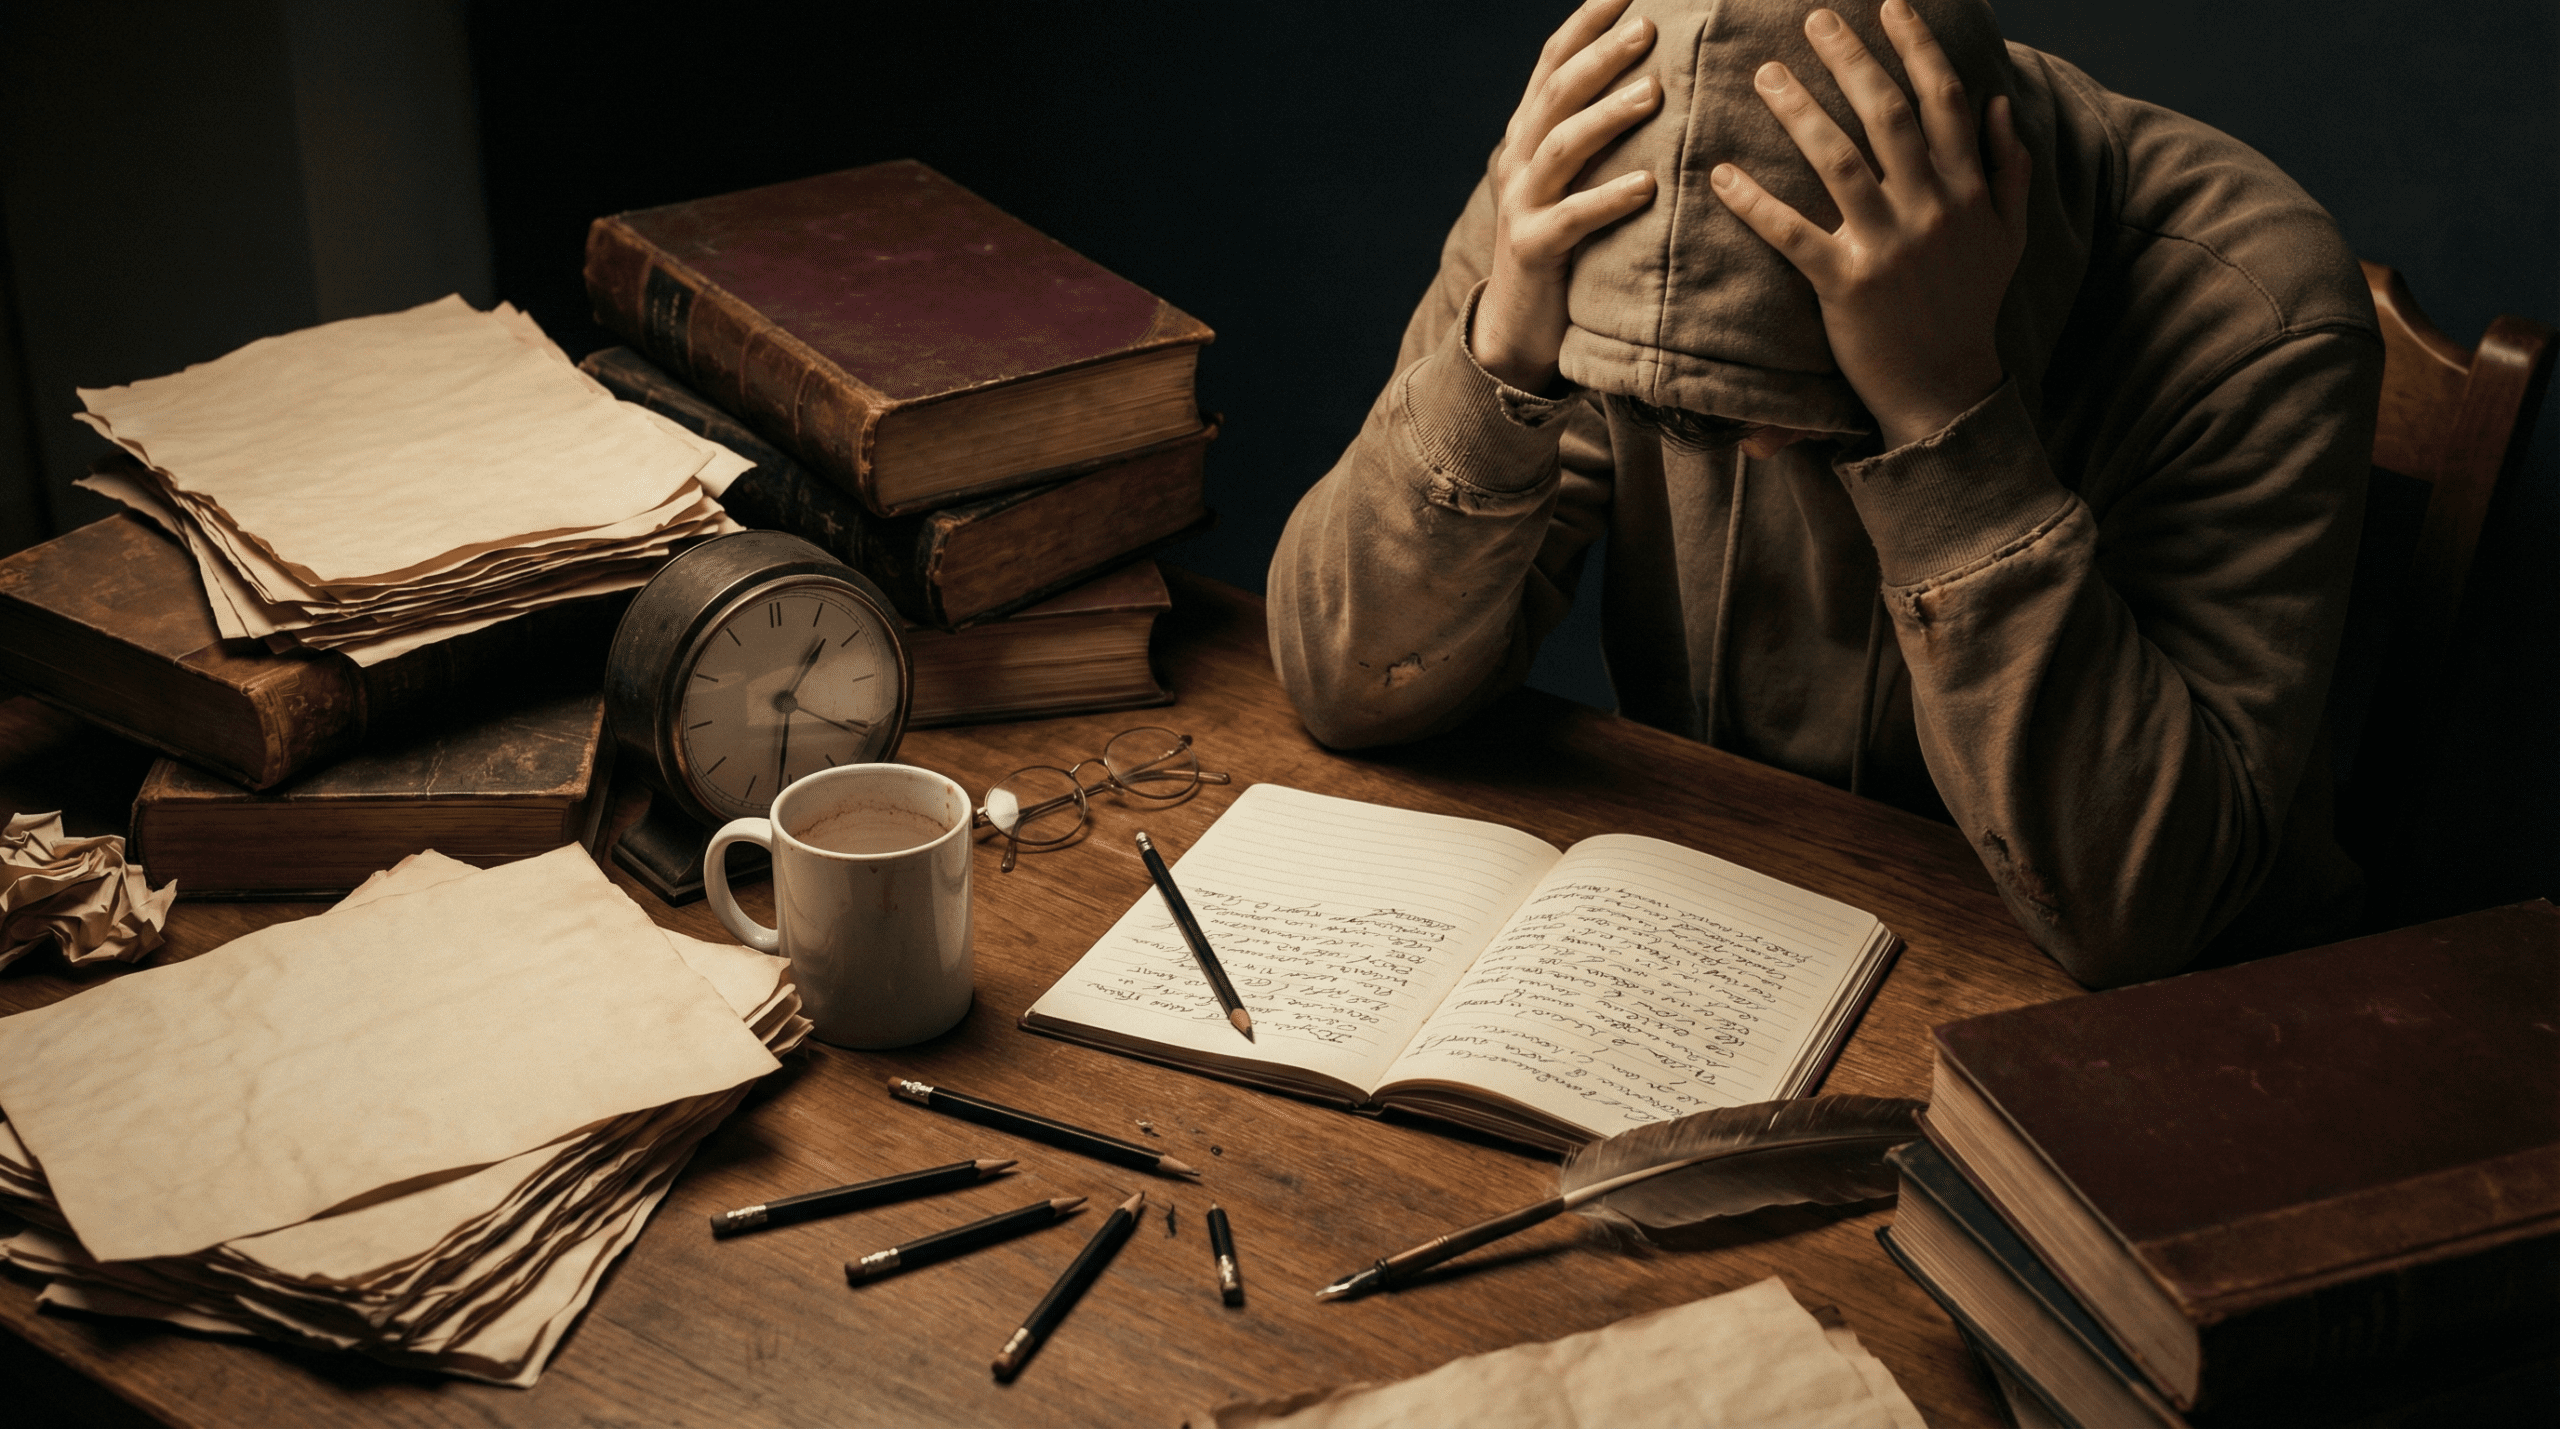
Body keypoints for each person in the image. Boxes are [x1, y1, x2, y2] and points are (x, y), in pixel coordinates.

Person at [1266, 0, 2380, 989]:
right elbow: (1348, 682)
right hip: (1712, 929)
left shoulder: (2260, 307)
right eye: (1676, 414)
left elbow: (2138, 917)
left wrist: (1945, 416)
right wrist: (1502, 352)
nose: (1741, 454)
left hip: (2143, 1041)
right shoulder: (1585, 180)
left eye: (1788, 412)